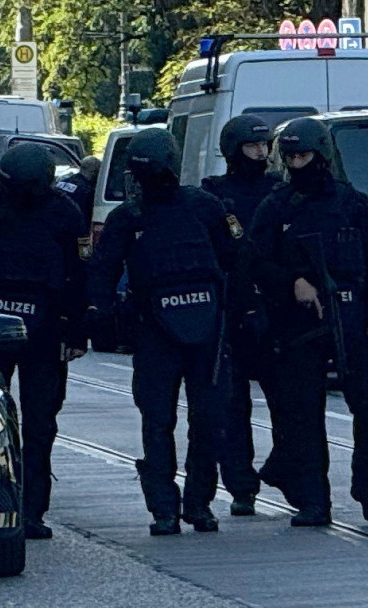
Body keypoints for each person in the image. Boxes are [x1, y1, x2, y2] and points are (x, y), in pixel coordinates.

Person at [88, 129, 248, 536]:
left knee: (172, 421)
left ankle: (177, 507)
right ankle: (189, 505)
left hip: (184, 331)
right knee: (190, 420)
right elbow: (236, 261)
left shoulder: (145, 214)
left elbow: (102, 274)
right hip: (172, 330)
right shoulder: (197, 207)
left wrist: (102, 316)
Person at [248, 118, 368, 527]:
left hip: (355, 316)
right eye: (291, 157)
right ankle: (314, 501)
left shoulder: (354, 204)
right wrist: (291, 282)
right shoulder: (276, 206)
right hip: (301, 323)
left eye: (305, 156)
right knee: (302, 415)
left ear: (322, 155)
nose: (298, 163)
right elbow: (255, 261)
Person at [0, 144, 88, 540]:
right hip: (38, 331)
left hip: (3, 327)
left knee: (3, 421)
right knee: (36, 424)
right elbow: (80, 276)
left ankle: (12, 506)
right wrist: (77, 331)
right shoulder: (58, 211)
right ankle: (28, 511)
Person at [200, 114, 280, 517]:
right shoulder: (215, 195)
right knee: (233, 407)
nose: (261, 154)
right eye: (253, 147)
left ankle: (282, 466)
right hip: (230, 311)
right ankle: (241, 485)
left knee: (287, 401)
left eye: (265, 147)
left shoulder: (278, 191)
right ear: (234, 151)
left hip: (276, 308)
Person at [56, 155, 101, 231]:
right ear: (94, 172)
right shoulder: (87, 190)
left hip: (55, 223)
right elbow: (86, 216)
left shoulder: (63, 181)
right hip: (70, 229)